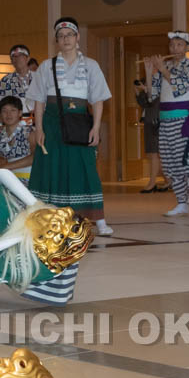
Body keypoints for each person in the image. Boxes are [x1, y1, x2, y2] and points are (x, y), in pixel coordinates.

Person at [27, 16, 114, 236]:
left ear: (77, 38)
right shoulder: (47, 66)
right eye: (61, 36)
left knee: (86, 169)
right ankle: (49, 217)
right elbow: (38, 100)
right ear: (56, 40)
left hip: (80, 122)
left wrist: (95, 127)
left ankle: (98, 219)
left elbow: (98, 100)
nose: (65, 39)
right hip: (53, 122)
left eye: (69, 35)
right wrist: (39, 128)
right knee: (52, 168)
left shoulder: (91, 65)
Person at [146, 31, 189, 218]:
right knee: (170, 163)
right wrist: (150, 71)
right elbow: (151, 95)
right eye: (172, 45)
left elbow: (180, 87)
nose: (175, 48)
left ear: (187, 47)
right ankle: (181, 201)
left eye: (180, 45)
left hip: (183, 119)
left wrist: (162, 70)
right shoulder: (165, 65)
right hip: (165, 120)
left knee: (188, 163)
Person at [132, 76, 169, 193]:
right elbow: (144, 103)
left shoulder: (161, 82)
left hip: (156, 121)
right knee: (154, 154)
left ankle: (152, 183)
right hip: (149, 120)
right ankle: (169, 180)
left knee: (155, 153)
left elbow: (153, 101)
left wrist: (148, 90)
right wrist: (138, 91)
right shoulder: (148, 81)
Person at [0, 96, 34, 182]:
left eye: (13, 110)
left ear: (20, 113)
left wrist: (7, 166)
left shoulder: (29, 132)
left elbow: (35, 157)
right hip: (5, 181)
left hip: (29, 180)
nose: (8, 114)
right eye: (4, 111)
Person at [0, 44, 33, 110]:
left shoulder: (39, 77)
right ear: (11, 61)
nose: (17, 58)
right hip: (15, 119)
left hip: (38, 117)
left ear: (28, 58)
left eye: (20, 55)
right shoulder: (5, 80)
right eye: (14, 56)